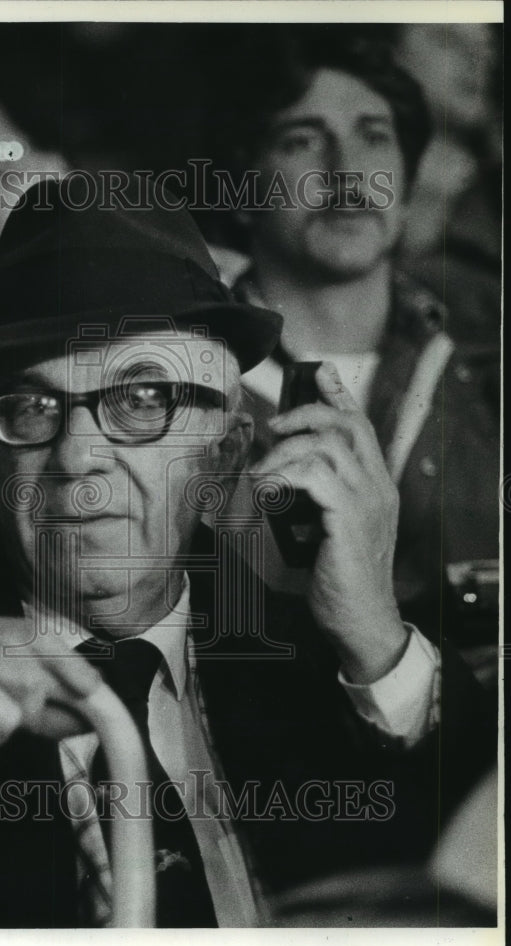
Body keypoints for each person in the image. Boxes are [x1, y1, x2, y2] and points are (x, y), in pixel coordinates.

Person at [0, 176, 495, 930]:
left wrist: (375, 641)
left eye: (141, 398)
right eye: (32, 406)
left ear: (221, 456)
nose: (78, 456)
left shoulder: (337, 670)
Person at [207, 32, 499, 681]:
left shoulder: (481, 362)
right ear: (237, 186)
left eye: (374, 136)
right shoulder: (181, 385)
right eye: (301, 140)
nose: (346, 173)